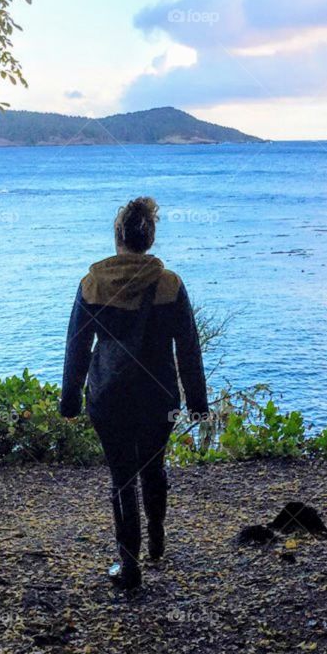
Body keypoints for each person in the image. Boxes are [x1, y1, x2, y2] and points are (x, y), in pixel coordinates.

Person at [60, 197, 209, 590]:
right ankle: (157, 538)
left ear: (118, 237)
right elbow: (188, 348)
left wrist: (70, 398)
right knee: (154, 466)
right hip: (158, 395)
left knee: (121, 478)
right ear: (150, 237)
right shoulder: (170, 283)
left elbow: (76, 346)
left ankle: (129, 564)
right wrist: (197, 401)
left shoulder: (92, 283)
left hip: (108, 395)